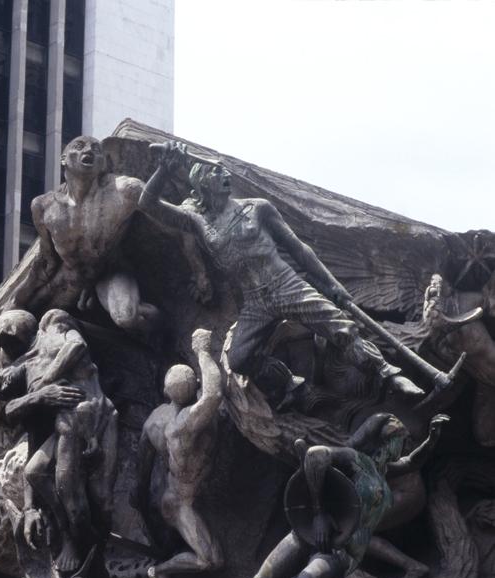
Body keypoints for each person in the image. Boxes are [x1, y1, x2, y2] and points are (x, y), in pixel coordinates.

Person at [139, 142, 424, 408]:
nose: (225, 174)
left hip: (286, 284)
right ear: (202, 180)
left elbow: (299, 250)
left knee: (339, 327)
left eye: (225, 169)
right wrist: (164, 168)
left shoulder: (257, 208)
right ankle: (289, 383)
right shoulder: (197, 221)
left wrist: (331, 284)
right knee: (239, 359)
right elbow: (147, 204)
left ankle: (388, 373)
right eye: (216, 170)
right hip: (255, 301)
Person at [184, 412, 449, 578]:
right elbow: (314, 455)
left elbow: (414, 462)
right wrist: (320, 514)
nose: (402, 447)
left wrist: (434, 439)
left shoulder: (385, 471)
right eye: (400, 441)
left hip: (344, 551)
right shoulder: (354, 459)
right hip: (308, 533)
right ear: (384, 441)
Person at [0, 309, 118, 576]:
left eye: (9, 340)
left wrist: (46, 383)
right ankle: (75, 540)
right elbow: (28, 432)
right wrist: (27, 508)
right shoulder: (26, 373)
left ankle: (95, 550)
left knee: (98, 501)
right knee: (37, 472)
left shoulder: (51, 324)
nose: (8, 348)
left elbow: (77, 344)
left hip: (93, 415)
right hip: (66, 426)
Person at [10, 135, 158, 336]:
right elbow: (46, 262)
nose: (87, 151)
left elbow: (173, 221)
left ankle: (163, 333)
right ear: (64, 159)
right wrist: (16, 300)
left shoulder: (122, 191)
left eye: (95, 149)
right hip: (70, 280)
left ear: (103, 163)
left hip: (110, 272)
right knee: (27, 327)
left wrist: (199, 271)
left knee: (126, 316)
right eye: (79, 146)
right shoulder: (43, 207)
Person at [132, 328, 224, 576]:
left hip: (184, 492)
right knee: (210, 560)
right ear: (196, 386)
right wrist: (202, 351)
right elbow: (213, 394)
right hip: (181, 503)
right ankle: (158, 572)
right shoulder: (184, 424)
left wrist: (141, 498)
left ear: (165, 392)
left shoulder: (152, 421)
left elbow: (142, 471)